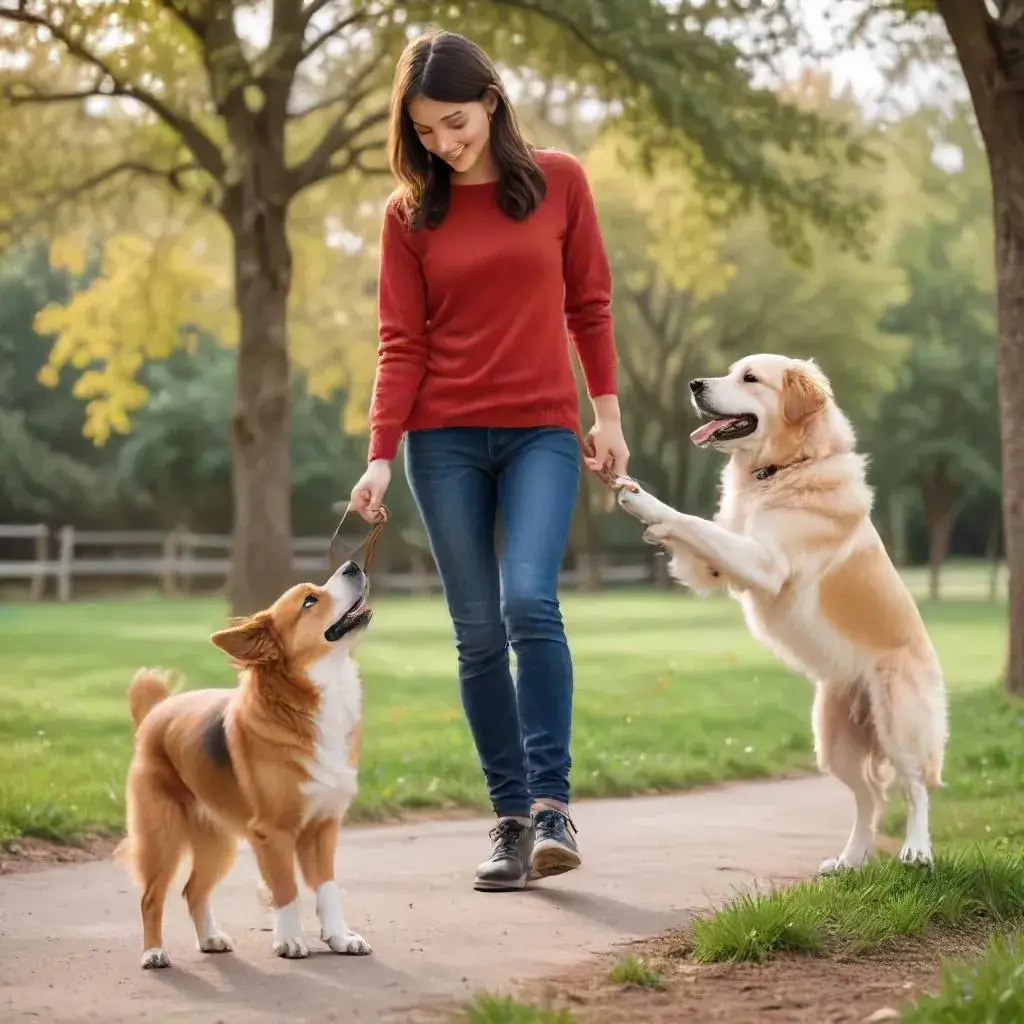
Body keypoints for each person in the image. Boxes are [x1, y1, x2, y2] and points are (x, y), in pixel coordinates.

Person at [348, 28, 630, 893]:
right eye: (426, 131)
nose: (443, 142)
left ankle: (552, 808)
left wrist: (606, 414)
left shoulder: (559, 182)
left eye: (455, 121)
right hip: (443, 442)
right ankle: (509, 822)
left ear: (492, 100)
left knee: (528, 604)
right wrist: (379, 456)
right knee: (475, 635)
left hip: (543, 430)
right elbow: (402, 343)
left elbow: (589, 304)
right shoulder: (409, 217)